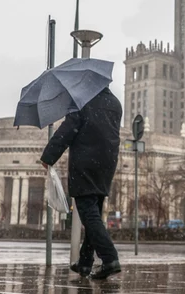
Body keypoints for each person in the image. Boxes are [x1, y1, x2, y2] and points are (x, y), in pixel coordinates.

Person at [40, 86, 123, 280]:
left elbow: (67, 131)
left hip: (85, 164)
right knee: (93, 214)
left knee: (88, 213)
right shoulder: (115, 104)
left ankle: (110, 258)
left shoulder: (82, 101)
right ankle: (85, 263)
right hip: (107, 163)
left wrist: (48, 157)